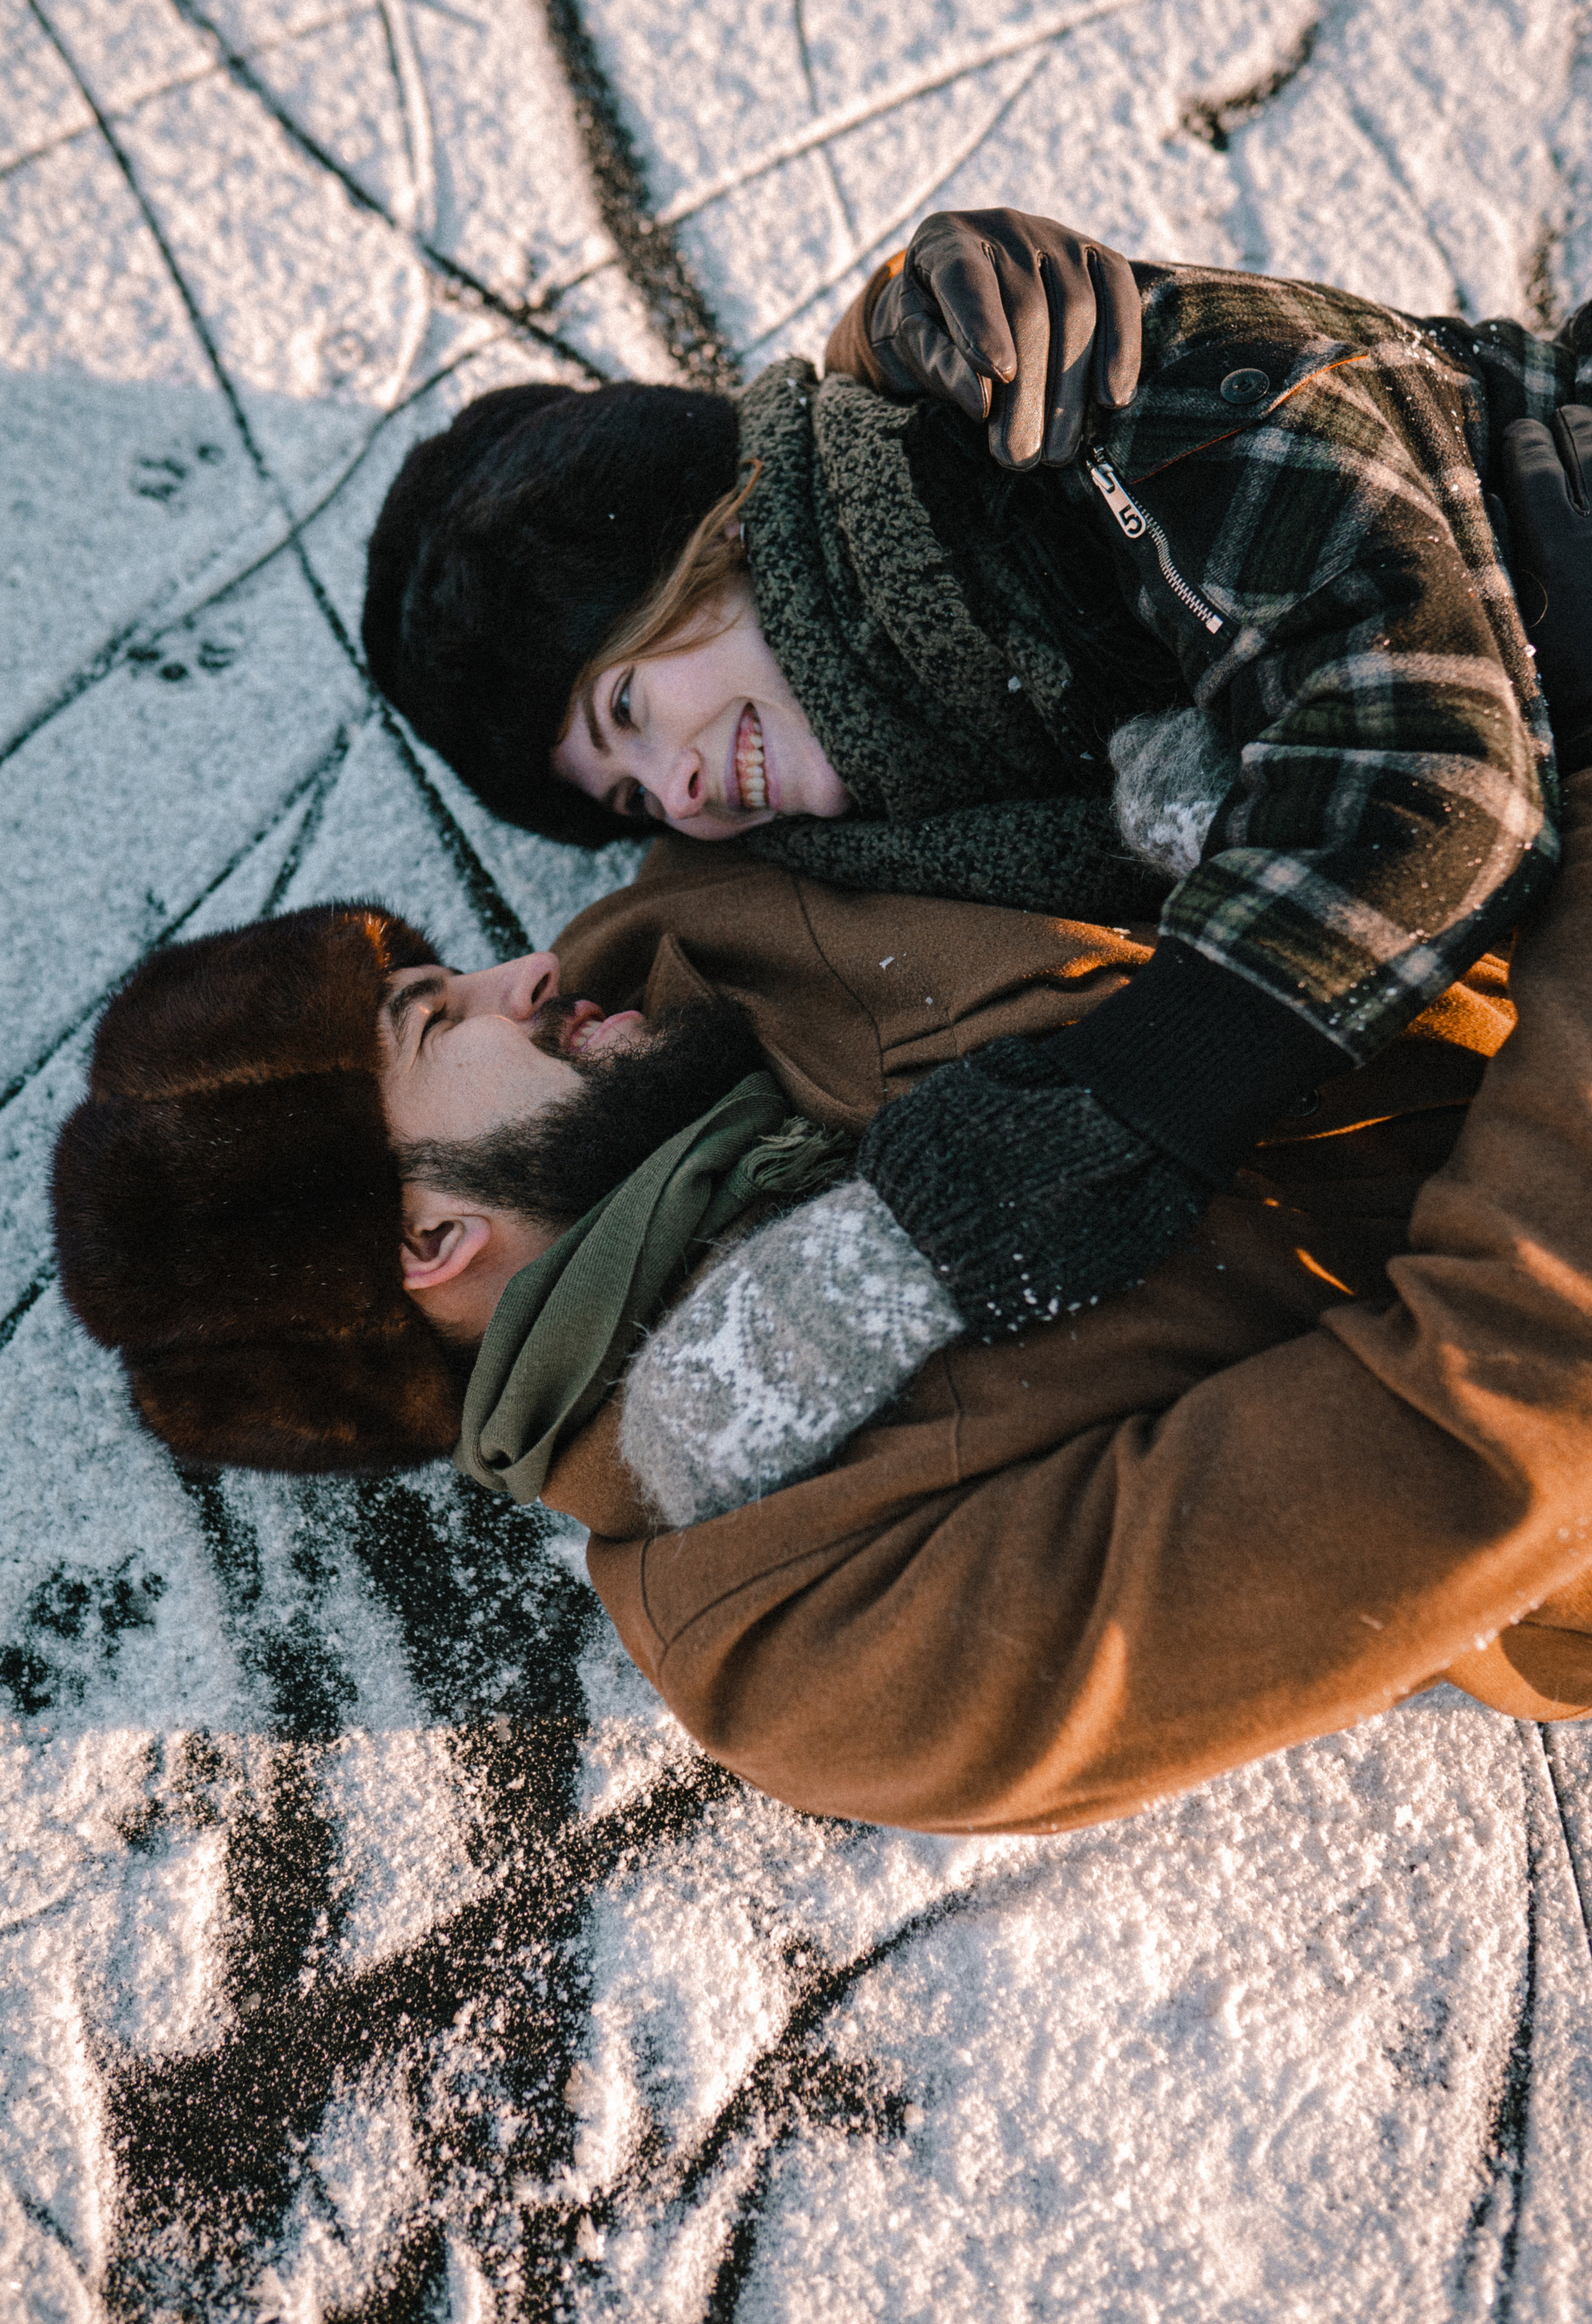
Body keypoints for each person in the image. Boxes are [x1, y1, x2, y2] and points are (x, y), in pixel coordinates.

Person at [50, 790, 1592, 1832]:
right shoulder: (791, 1628)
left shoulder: (697, 935)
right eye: (432, 1019)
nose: (524, 967)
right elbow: (1493, 1425)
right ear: (430, 1235)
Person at [361, 209, 1585, 1337]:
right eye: (627, 797)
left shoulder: (1098, 398)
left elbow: (1437, 784)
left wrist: (1122, 1109)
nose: (679, 798)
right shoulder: (958, 801)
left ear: (718, 538)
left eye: (627, 708)